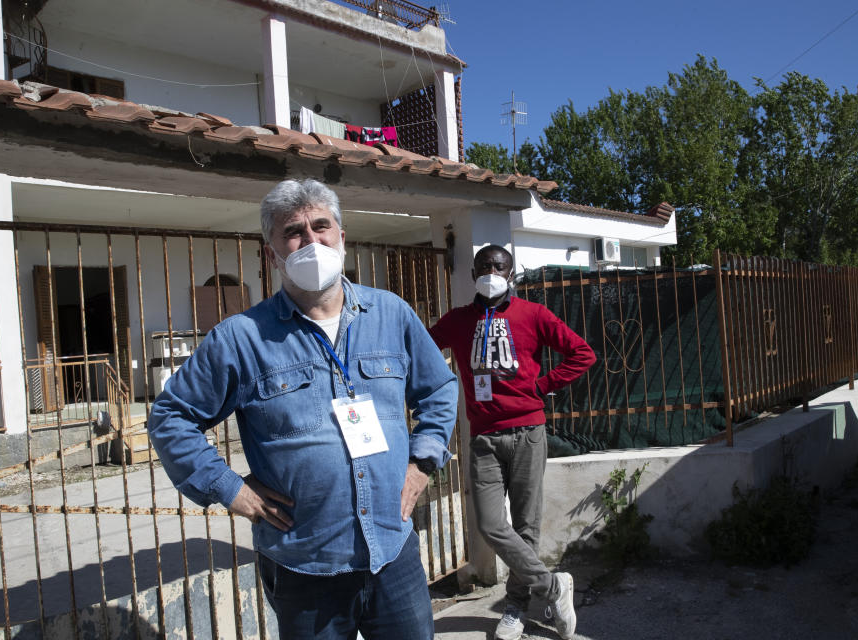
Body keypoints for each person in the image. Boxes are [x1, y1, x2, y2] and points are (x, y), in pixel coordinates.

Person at [148, 179, 459, 639]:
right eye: (293, 232)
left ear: (342, 237)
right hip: (304, 564)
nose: (311, 241)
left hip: (393, 552)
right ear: (271, 253)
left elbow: (439, 390)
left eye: (321, 226)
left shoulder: (392, 314)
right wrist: (229, 487)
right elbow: (171, 417)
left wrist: (421, 464)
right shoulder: (241, 338)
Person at [428, 244, 596, 640]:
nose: (492, 271)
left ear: (511, 274)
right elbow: (421, 348)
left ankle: (516, 606)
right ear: (473, 273)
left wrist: (544, 384)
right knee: (489, 523)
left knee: (525, 525)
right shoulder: (457, 321)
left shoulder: (533, 314)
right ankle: (554, 586)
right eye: (485, 265)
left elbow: (582, 353)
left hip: (527, 433)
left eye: (499, 266)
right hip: (484, 436)